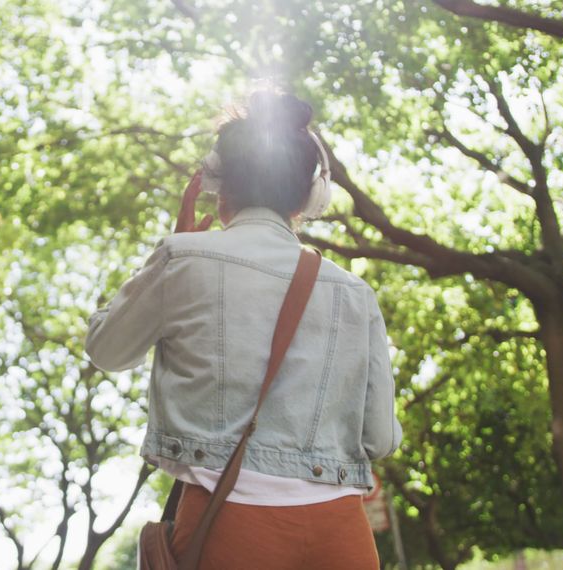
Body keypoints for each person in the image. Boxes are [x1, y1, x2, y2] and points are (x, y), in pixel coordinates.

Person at [85, 91, 402, 570]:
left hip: (228, 521)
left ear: (218, 186)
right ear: (310, 196)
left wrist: (174, 251)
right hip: (340, 531)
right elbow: (379, 439)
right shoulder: (354, 293)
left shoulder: (182, 259)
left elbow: (107, 349)